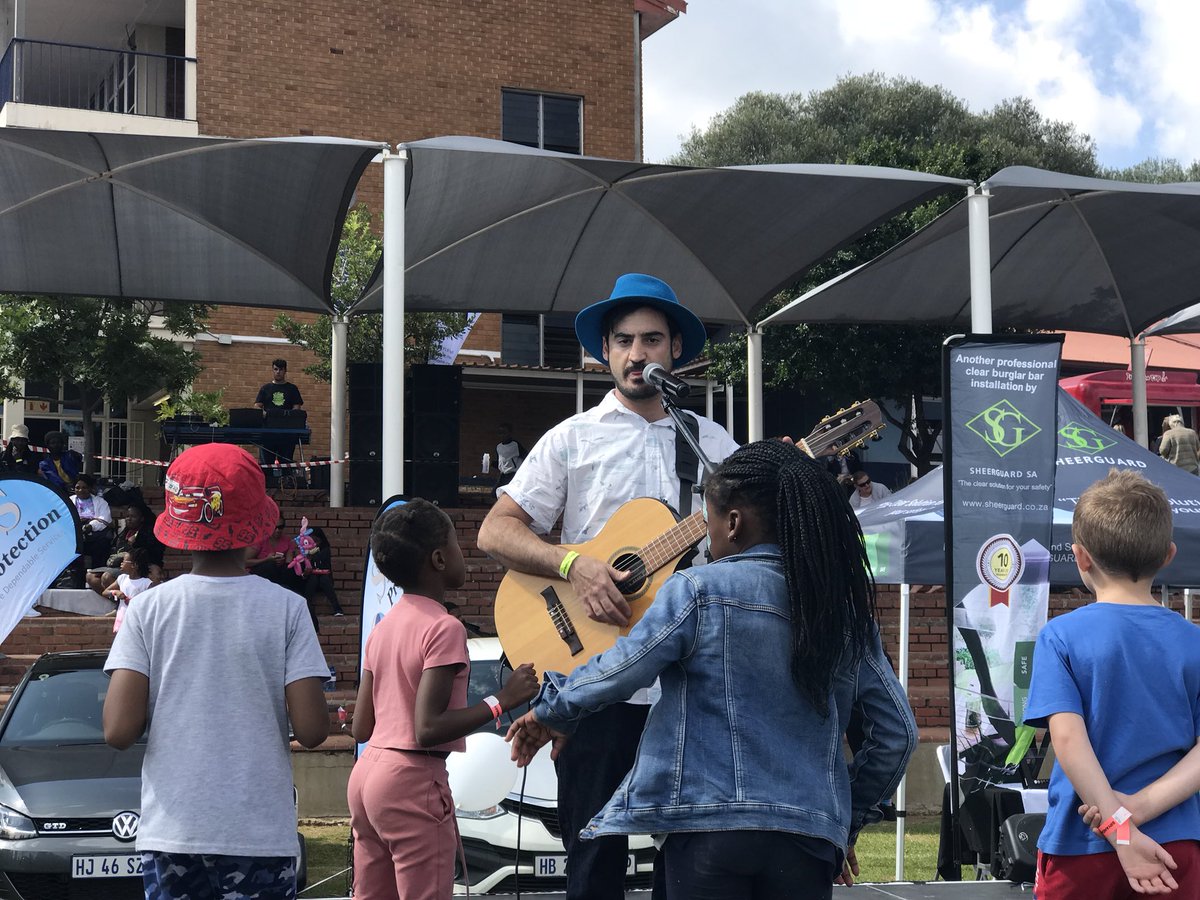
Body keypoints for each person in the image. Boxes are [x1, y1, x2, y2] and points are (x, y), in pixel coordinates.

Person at [506, 440, 917, 900]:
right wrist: (846, 817)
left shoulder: (698, 590)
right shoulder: (841, 610)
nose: (707, 535)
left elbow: (621, 669)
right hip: (808, 839)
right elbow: (898, 732)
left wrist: (552, 710)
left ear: (734, 523)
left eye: (709, 521)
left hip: (708, 832)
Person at [477, 273, 739, 900]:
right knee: (592, 856)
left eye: (651, 340)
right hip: (594, 677)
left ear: (676, 349)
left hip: (687, 679)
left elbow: (745, 541)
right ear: (604, 351)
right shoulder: (572, 439)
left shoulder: (711, 445)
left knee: (692, 858)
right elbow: (495, 532)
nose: (636, 354)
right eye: (623, 341)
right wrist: (575, 566)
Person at [103, 443, 330, 899]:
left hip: (172, 834)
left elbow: (118, 730)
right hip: (260, 835)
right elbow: (311, 730)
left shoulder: (147, 609)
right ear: (256, 526)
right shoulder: (288, 609)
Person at [347, 499, 539, 900]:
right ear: (438, 559)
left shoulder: (383, 628)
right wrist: (502, 699)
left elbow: (361, 727)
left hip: (368, 777)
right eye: (456, 544)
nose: (461, 553)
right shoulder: (443, 627)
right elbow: (427, 728)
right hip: (412, 780)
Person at [1025, 469, 1200, 898]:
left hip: (1082, 842)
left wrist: (1119, 826)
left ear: (1080, 557)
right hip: (1174, 845)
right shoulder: (1194, 641)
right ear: (1167, 555)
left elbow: (1067, 740)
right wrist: (1136, 810)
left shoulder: (1061, 637)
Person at [86, 502, 166, 593]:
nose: (129, 519)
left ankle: (127, 601)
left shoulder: (149, 534)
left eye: (133, 517)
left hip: (139, 567)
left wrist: (135, 544)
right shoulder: (124, 533)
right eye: (127, 516)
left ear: (142, 519)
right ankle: (117, 601)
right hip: (119, 565)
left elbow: (152, 555)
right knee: (90, 576)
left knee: (107, 577)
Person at [255, 358, 305, 483]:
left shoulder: (292, 389)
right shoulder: (265, 388)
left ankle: (287, 489)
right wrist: (264, 413)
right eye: (276, 369)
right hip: (268, 433)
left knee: (286, 464)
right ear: (273, 370)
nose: (278, 372)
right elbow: (257, 406)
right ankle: (267, 490)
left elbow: (297, 408)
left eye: (281, 369)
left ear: (285, 371)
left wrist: (288, 416)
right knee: (266, 465)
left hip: (287, 434)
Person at [299, 526, 345, 626]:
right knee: (314, 578)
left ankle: (337, 609)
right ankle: (306, 608)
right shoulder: (304, 551)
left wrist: (312, 556)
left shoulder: (325, 550)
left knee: (323, 579)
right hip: (311, 579)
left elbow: (323, 565)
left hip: (324, 578)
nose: (314, 542)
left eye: (316, 540)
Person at [104, 547, 153, 634]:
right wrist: (115, 592)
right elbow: (105, 592)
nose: (121, 563)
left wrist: (135, 601)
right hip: (121, 619)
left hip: (137, 621)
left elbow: (151, 603)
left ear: (134, 565)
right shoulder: (122, 578)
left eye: (124, 561)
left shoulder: (146, 583)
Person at [71, 474, 113, 568]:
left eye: (84, 487)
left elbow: (104, 519)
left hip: (94, 536)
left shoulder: (100, 502)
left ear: (90, 488)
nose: (81, 490)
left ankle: (97, 574)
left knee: (102, 545)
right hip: (75, 536)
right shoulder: (69, 501)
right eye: (77, 487)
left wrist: (91, 526)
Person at [245, 514, 296, 585]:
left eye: (280, 527)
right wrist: (266, 559)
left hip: (278, 574)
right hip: (258, 573)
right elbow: (245, 562)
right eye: (274, 527)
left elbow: (289, 564)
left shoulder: (287, 541)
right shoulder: (261, 540)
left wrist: (283, 561)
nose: (277, 530)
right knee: (271, 565)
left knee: (290, 570)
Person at [495, 422, 525, 487]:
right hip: (503, 474)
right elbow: (501, 462)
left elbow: (525, 456)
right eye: (500, 433)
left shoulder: (515, 445)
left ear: (510, 433)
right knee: (495, 493)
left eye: (504, 432)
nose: (502, 435)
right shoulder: (499, 447)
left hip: (513, 473)